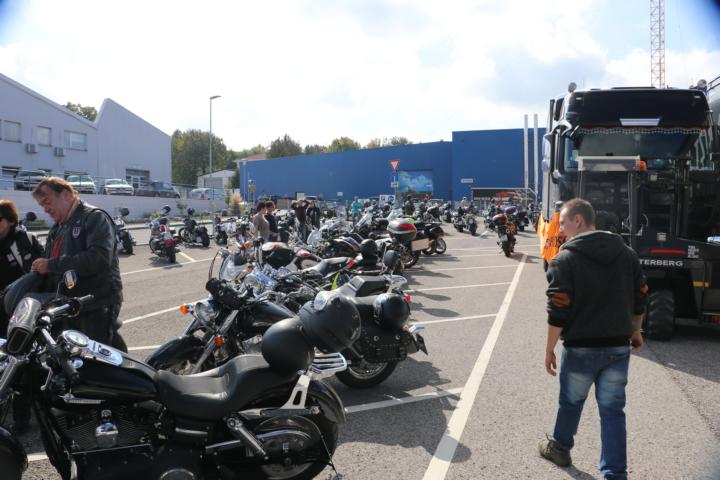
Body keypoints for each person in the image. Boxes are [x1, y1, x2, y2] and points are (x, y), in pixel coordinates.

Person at [539, 198, 646, 480]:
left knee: (571, 402)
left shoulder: (564, 259)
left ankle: (560, 448)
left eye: (563, 223)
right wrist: (636, 331)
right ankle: (615, 474)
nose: (560, 229)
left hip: (580, 349)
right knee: (613, 412)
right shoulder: (627, 254)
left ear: (578, 220)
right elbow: (640, 297)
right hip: (617, 347)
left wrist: (549, 349)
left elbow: (558, 310)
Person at [30, 177, 125, 349]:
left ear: (66, 195)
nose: (45, 209)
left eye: (47, 202)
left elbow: (98, 259)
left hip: (97, 302)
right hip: (69, 303)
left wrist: (50, 265)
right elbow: (49, 261)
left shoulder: (94, 217)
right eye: (41, 205)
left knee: (92, 355)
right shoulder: (58, 227)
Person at [0, 200, 44, 436]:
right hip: (1, 308)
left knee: (20, 361)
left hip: (21, 311)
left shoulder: (23, 240)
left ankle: (22, 419)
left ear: (9, 220)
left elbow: (39, 274)